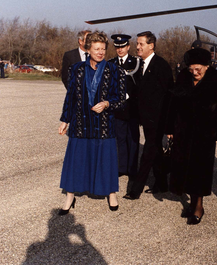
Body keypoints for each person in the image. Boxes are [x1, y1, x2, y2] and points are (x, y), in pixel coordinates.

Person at [58, 31, 126, 214]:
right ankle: (70, 196)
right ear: (87, 49)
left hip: (103, 125)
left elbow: (121, 100)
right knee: (75, 161)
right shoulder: (77, 69)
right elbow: (70, 96)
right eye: (96, 48)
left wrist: (107, 103)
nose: (100, 52)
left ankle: (111, 193)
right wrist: (65, 119)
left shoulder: (115, 70)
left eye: (103, 49)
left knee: (106, 160)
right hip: (81, 123)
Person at [166, 48, 217, 224]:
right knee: (184, 167)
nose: (194, 73)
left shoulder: (216, 79)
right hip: (183, 131)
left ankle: (198, 206)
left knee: (200, 169)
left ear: (207, 66)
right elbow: (174, 103)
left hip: (204, 133)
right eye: (191, 69)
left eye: (198, 69)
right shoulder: (184, 76)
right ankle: (192, 203)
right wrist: (170, 128)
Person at [123, 31, 174, 200]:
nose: (138, 47)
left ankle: (135, 190)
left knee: (148, 152)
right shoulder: (139, 65)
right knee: (156, 150)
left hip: (157, 119)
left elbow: (168, 97)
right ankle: (162, 184)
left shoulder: (161, 66)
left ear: (151, 46)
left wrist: (169, 125)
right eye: (137, 44)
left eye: (141, 44)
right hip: (145, 118)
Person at [108, 34, 141, 178]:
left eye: (122, 47)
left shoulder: (136, 63)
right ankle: (121, 168)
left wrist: (128, 96)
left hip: (132, 108)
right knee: (119, 138)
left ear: (128, 47)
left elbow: (139, 85)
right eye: (117, 47)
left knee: (133, 139)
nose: (120, 50)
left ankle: (132, 168)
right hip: (118, 109)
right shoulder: (110, 63)